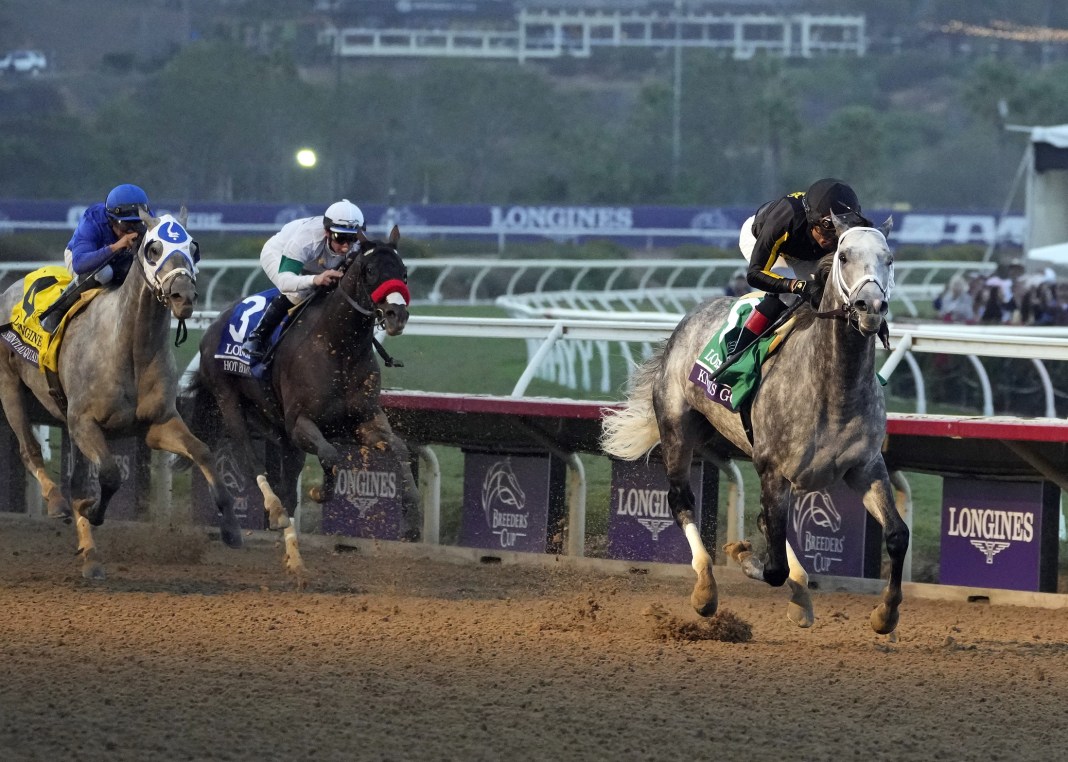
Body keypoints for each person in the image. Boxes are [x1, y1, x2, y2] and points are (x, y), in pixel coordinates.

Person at [731, 178, 870, 355]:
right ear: (813, 221)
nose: (832, 239)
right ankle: (738, 352)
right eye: (828, 230)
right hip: (762, 240)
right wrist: (797, 285)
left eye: (838, 231)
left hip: (805, 253)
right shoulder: (785, 220)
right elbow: (755, 274)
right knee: (786, 296)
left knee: (832, 294)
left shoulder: (842, 231)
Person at [241, 199, 366, 362]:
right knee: (300, 291)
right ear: (327, 232)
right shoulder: (307, 240)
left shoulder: (355, 244)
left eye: (352, 238)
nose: (346, 247)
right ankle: (256, 338)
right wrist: (316, 279)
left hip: (318, 260)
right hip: (279, 252)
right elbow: (285, 281)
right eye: (340, 238)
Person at [39, 183, 152, 333]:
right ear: (111, 219)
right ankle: (56, 312)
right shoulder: (92, 219)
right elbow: (80, 264)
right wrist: (117, 246)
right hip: (85, 259)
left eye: (137, 224)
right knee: (104, 274)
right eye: (126, 225)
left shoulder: (147, 220)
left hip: (121, 261)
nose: (131, 230)